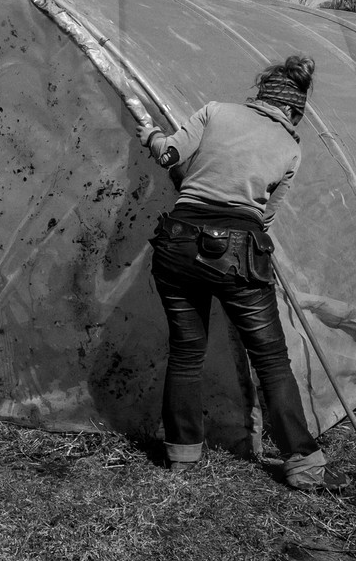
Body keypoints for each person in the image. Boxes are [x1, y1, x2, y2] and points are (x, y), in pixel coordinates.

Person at [135, 55, 327, 490]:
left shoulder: (215, 111)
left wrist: (150, 135)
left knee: (187, 351)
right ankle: (301, 460)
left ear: (260, 94)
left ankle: (183, 454)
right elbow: (266, 218)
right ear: (293, 110)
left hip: (178, 243)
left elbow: (169, 154)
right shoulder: (291, 146)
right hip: (239, 253)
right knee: (272, 359)